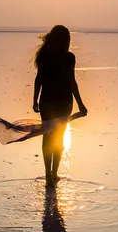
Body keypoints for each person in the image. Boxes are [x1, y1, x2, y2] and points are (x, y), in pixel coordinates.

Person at [33, 25, 87, 186]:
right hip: (54, 101)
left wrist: (81, 104)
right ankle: (50, 174)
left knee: (53, 137)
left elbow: (72, 81)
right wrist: (34, 99)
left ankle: (52, 174)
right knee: (51, 137)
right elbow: (40, 78)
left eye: (69, 39)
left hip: (58, 101)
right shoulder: (49, 56)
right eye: (66, 39)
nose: (69, 42)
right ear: (60, 40)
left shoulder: (66, 57)